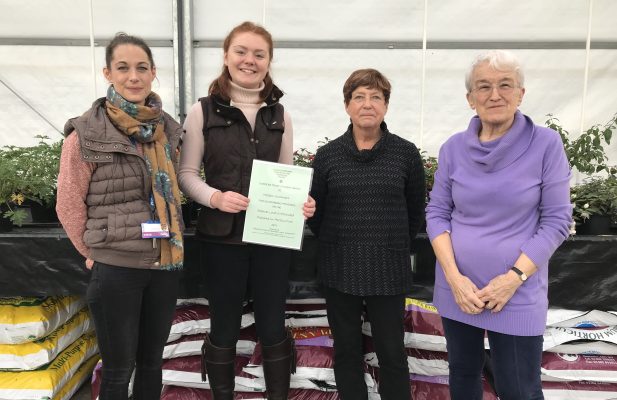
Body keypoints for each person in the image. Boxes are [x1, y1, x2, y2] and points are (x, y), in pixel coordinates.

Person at [178, 21, 315, 400]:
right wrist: (215, 198)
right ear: (226, 56)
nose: (249, 60)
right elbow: (186, 174)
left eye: (259, 54)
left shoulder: (280, 115)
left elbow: (286, 175)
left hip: (271, 238)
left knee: (273, 324)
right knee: (224, 324)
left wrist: (301, 203)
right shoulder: (202, 111)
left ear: (269, 61)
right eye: (241, 51)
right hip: (221, 239)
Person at [426, 50, 572, 400]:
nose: (495, 94)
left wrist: (513, 279)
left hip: (516, 293)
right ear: (470, 98)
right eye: (484, 86)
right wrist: (454, 278)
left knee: (519, 387)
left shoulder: (546, 145)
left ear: (521, 93)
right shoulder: (452, 149)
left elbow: (557, 220)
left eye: (505, 84)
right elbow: (437, 213)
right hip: (458, 291)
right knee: (462, 377)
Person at [56, 33, 184, 400]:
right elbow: (67, 202)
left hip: (163, 263)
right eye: (123, 68)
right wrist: (91, 249)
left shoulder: (166, 132)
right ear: (107, 73)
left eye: (142, 68)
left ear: (153, 73)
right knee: (117, 369)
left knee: (152, 364)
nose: (133, 77)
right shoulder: (85, 135)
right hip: (116, 267)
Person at [308, 69, 426, 400]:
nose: (367, 104)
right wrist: (338, 239)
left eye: (376, 97)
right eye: (359, 96)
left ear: (386, 106)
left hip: (387, 269)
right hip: (339, 266)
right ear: (347, 105)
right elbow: (316, 213)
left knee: (391, 352)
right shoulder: (329, 156)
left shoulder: (405, 153)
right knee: (346, 351)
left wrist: (389, 241)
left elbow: (415, 212)